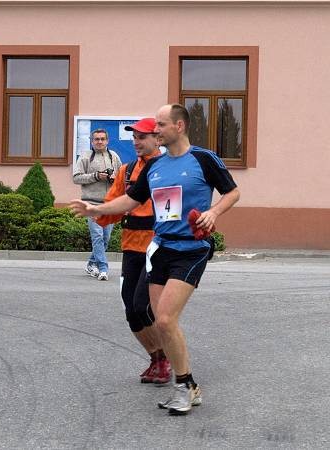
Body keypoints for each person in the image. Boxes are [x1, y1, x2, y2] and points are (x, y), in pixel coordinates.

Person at [70, 104, 240, 415]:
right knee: (158, 321)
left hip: (191, 248)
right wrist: (96, 209)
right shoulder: (155, 167)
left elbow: (232, 192)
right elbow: (131, 200)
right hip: (160, 248)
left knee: (164, 319)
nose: (156, 130)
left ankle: (185, 386)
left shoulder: (203, 159)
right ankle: (186, 383)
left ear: (179, 126)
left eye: (161, 125)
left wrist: (214, 212)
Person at [95, 118, 170, 384]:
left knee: (143, 306)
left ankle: (168, 357)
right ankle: (156, 358)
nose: (136, 141)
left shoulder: (167, 168)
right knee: (131, 311)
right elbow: (112, 205)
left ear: (157, 139)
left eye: (142, 136)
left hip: (157, 247)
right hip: (131, 246)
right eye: (134, 137)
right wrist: (97, 213)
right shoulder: (126, 171)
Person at [72, 128, 122, 281]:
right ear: (92, 141)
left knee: (105, 238)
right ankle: (103, 268)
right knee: (98, 236)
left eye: (102, 139)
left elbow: (121, 178)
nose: (99, 142)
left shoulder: (114, 156)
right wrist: (96, 176)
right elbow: (76, 178)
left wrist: (113, 178)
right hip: (91, 204)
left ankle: (91, 263)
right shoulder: (85, 157)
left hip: (109, 204)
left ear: (107, 141)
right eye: (96, 139)